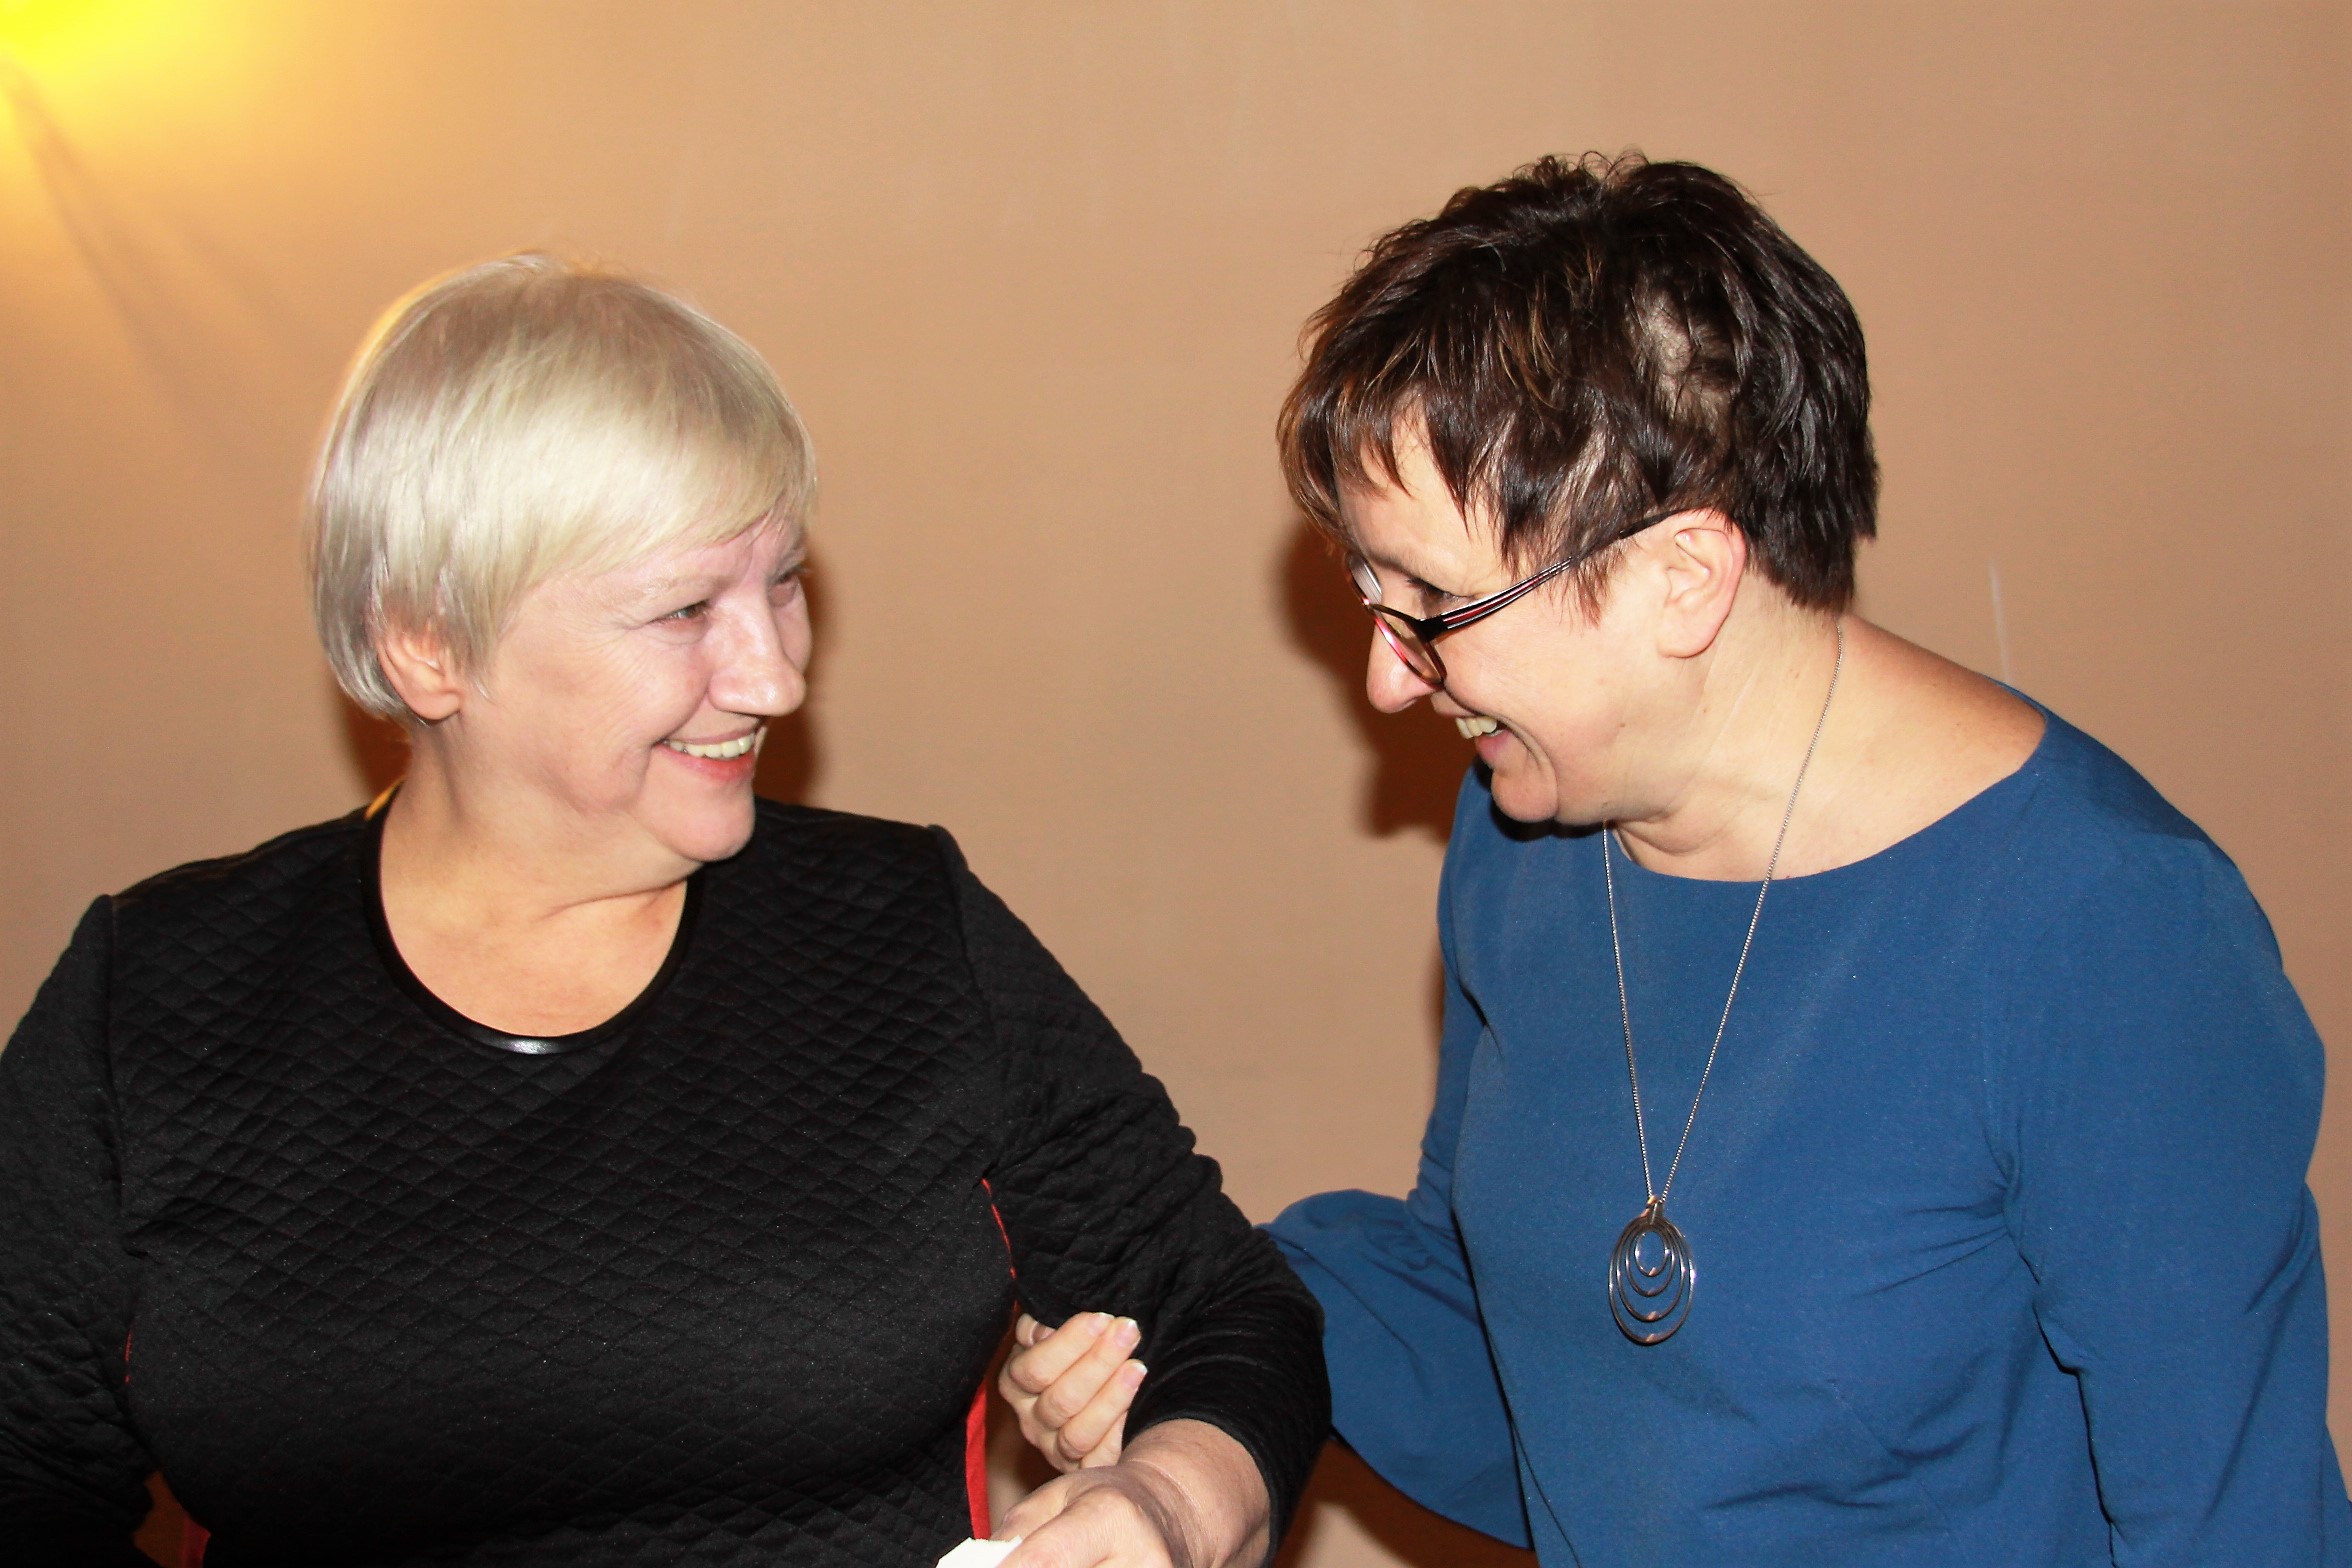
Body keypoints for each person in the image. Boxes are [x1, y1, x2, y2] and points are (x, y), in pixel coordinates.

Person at [1001, 153, 2350, 1565]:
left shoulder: (2106, 930)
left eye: (1435, 605)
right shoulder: (1528, 836)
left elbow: (2237, 1529)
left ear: (1683, 578)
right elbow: (1509, 1336)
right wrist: (1203, 1326)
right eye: (1369, 590)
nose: (1391, 680)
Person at [0, 256, 1326, 1568]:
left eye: (783, 581)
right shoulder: (154, 996)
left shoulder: (898, 929)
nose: (776, 676)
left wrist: (1167, 1502)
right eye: (685, 608)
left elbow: (1222, 1304)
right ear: (427, 641)